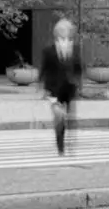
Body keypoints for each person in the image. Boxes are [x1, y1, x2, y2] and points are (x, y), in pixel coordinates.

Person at [38, 18, 84, 155]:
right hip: (54, 89)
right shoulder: (48, 50)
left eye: (67, 30)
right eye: (61, 30)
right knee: (59, 120)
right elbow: (44, 69)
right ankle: (61, 147)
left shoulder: (75, 48)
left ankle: (71, 144)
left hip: (70, 88)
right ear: (57, 32)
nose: (64, 32)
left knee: (71, 118)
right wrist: (43, 87)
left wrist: (78, 83)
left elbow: (79, 68)